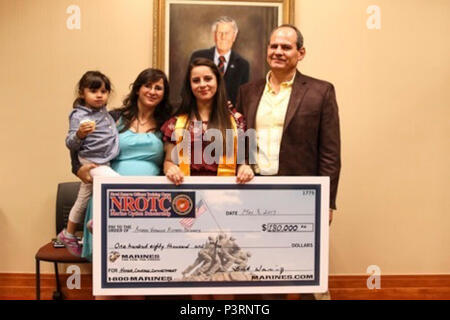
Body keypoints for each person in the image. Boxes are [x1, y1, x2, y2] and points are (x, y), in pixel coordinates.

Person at [236, 24, 341, 300]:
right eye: (274, 46)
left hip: (301, 194)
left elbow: (330, 152)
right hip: (256, 192)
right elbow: (240, 137)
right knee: (264, 267)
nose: (278, 52)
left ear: (300, 52)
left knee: (306, 269)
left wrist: (327, 201)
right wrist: (243, 162)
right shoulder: (247, 91)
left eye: (286, 47)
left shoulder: (321, 91)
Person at [71, 68, 171, 262]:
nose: (152, 91)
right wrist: (78, 168)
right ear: (137, 89)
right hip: (107, 198)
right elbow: (79, 143)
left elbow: (172, 158)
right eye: (147, 86)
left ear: (164, 94)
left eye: (158, 88)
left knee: (138, 264)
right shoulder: (112, 117)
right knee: (106, 267)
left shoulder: (167, 123)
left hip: (147, 204)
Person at [162, 57, 254, 184]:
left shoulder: (236, 120)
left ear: (217, 81)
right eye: (196, 80)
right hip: (186, 193)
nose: (202, 84)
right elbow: (169, 161)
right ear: (190, 85)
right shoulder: (176, 122)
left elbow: (242, 161)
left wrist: (244, 168)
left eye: (208, 79)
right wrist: (171, 169)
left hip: (227, 195)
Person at [58, 71, 120, 257]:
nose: (99, 95)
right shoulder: (79, 115)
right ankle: (98, 221)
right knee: (119, 185)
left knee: (83, 197)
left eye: (104, 91)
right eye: (94, 91)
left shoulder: (105, 113)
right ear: (82, 93)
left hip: (103, 161)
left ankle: (68, 234)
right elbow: (70, 143)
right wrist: (79, 135)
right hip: (92, 163)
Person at [189, 16, 249, 105]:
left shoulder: (243, 65)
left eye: (227, 33)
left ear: (234, 36)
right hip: (199, 113)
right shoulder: (198, 57)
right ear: (214, 36)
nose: (223, 37)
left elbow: (243, 98)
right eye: (219, 33)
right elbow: (187, 90)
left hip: (228, 115)